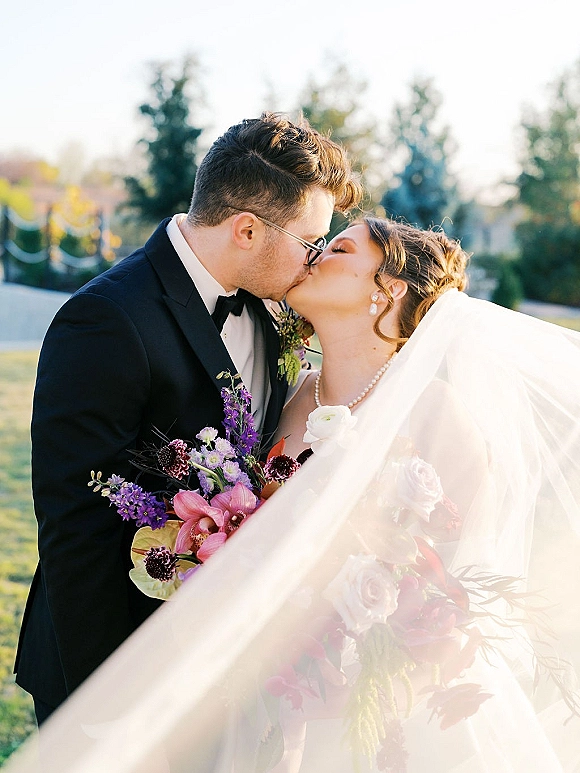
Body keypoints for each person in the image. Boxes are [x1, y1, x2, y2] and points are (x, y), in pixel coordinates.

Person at [6, 217, 580, 773]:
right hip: (260, 686)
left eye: (341, 249)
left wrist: (355, 661)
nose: (317, 253)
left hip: (369, 697)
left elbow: (456, 586)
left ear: (388, 291)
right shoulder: (291, 395)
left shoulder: (436, 414)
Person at [13, 111, 362, 727]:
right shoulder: (105, 321)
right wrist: (109, 709)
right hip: (116, 670)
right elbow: (76, 530)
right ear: (248, 231)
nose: (315, 262)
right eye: (310, 244)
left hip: (219, 669)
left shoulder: (271, 306)